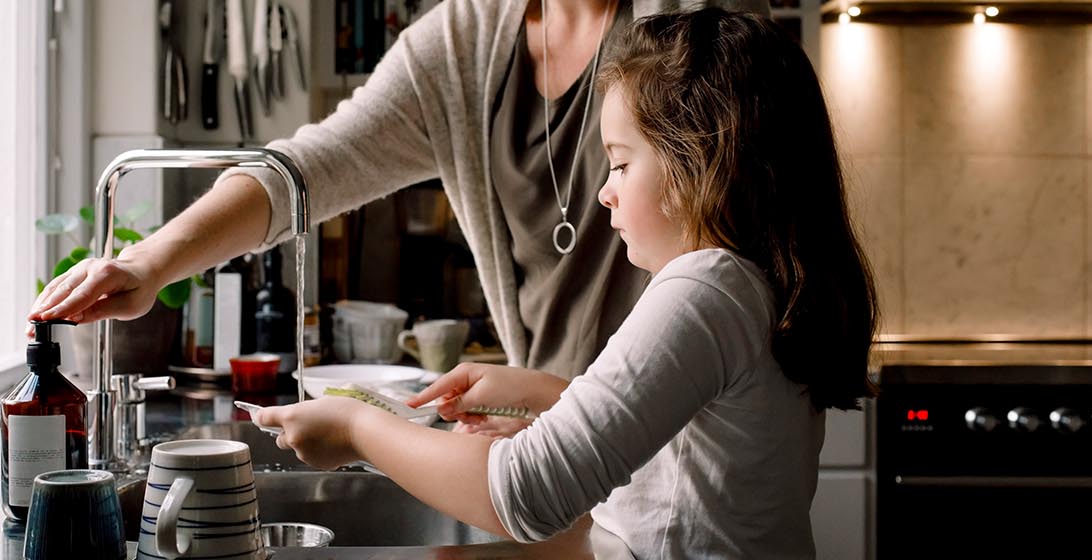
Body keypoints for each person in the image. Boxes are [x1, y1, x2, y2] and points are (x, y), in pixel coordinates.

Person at [256, 9, 879, 558]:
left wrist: (357, 429)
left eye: (623, 162)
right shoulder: (755, 284)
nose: (605, 191)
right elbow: (689, 447)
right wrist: (547, 395)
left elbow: (526, 495)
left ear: (698, 161)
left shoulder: (704, 289)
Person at [29, 0, 770, 405]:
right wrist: (151, 263)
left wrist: (362, 431)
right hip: (548, 427)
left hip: (684, 423)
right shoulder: (459, 44)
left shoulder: (688, 24)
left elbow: (763, 223)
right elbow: (313, 165)